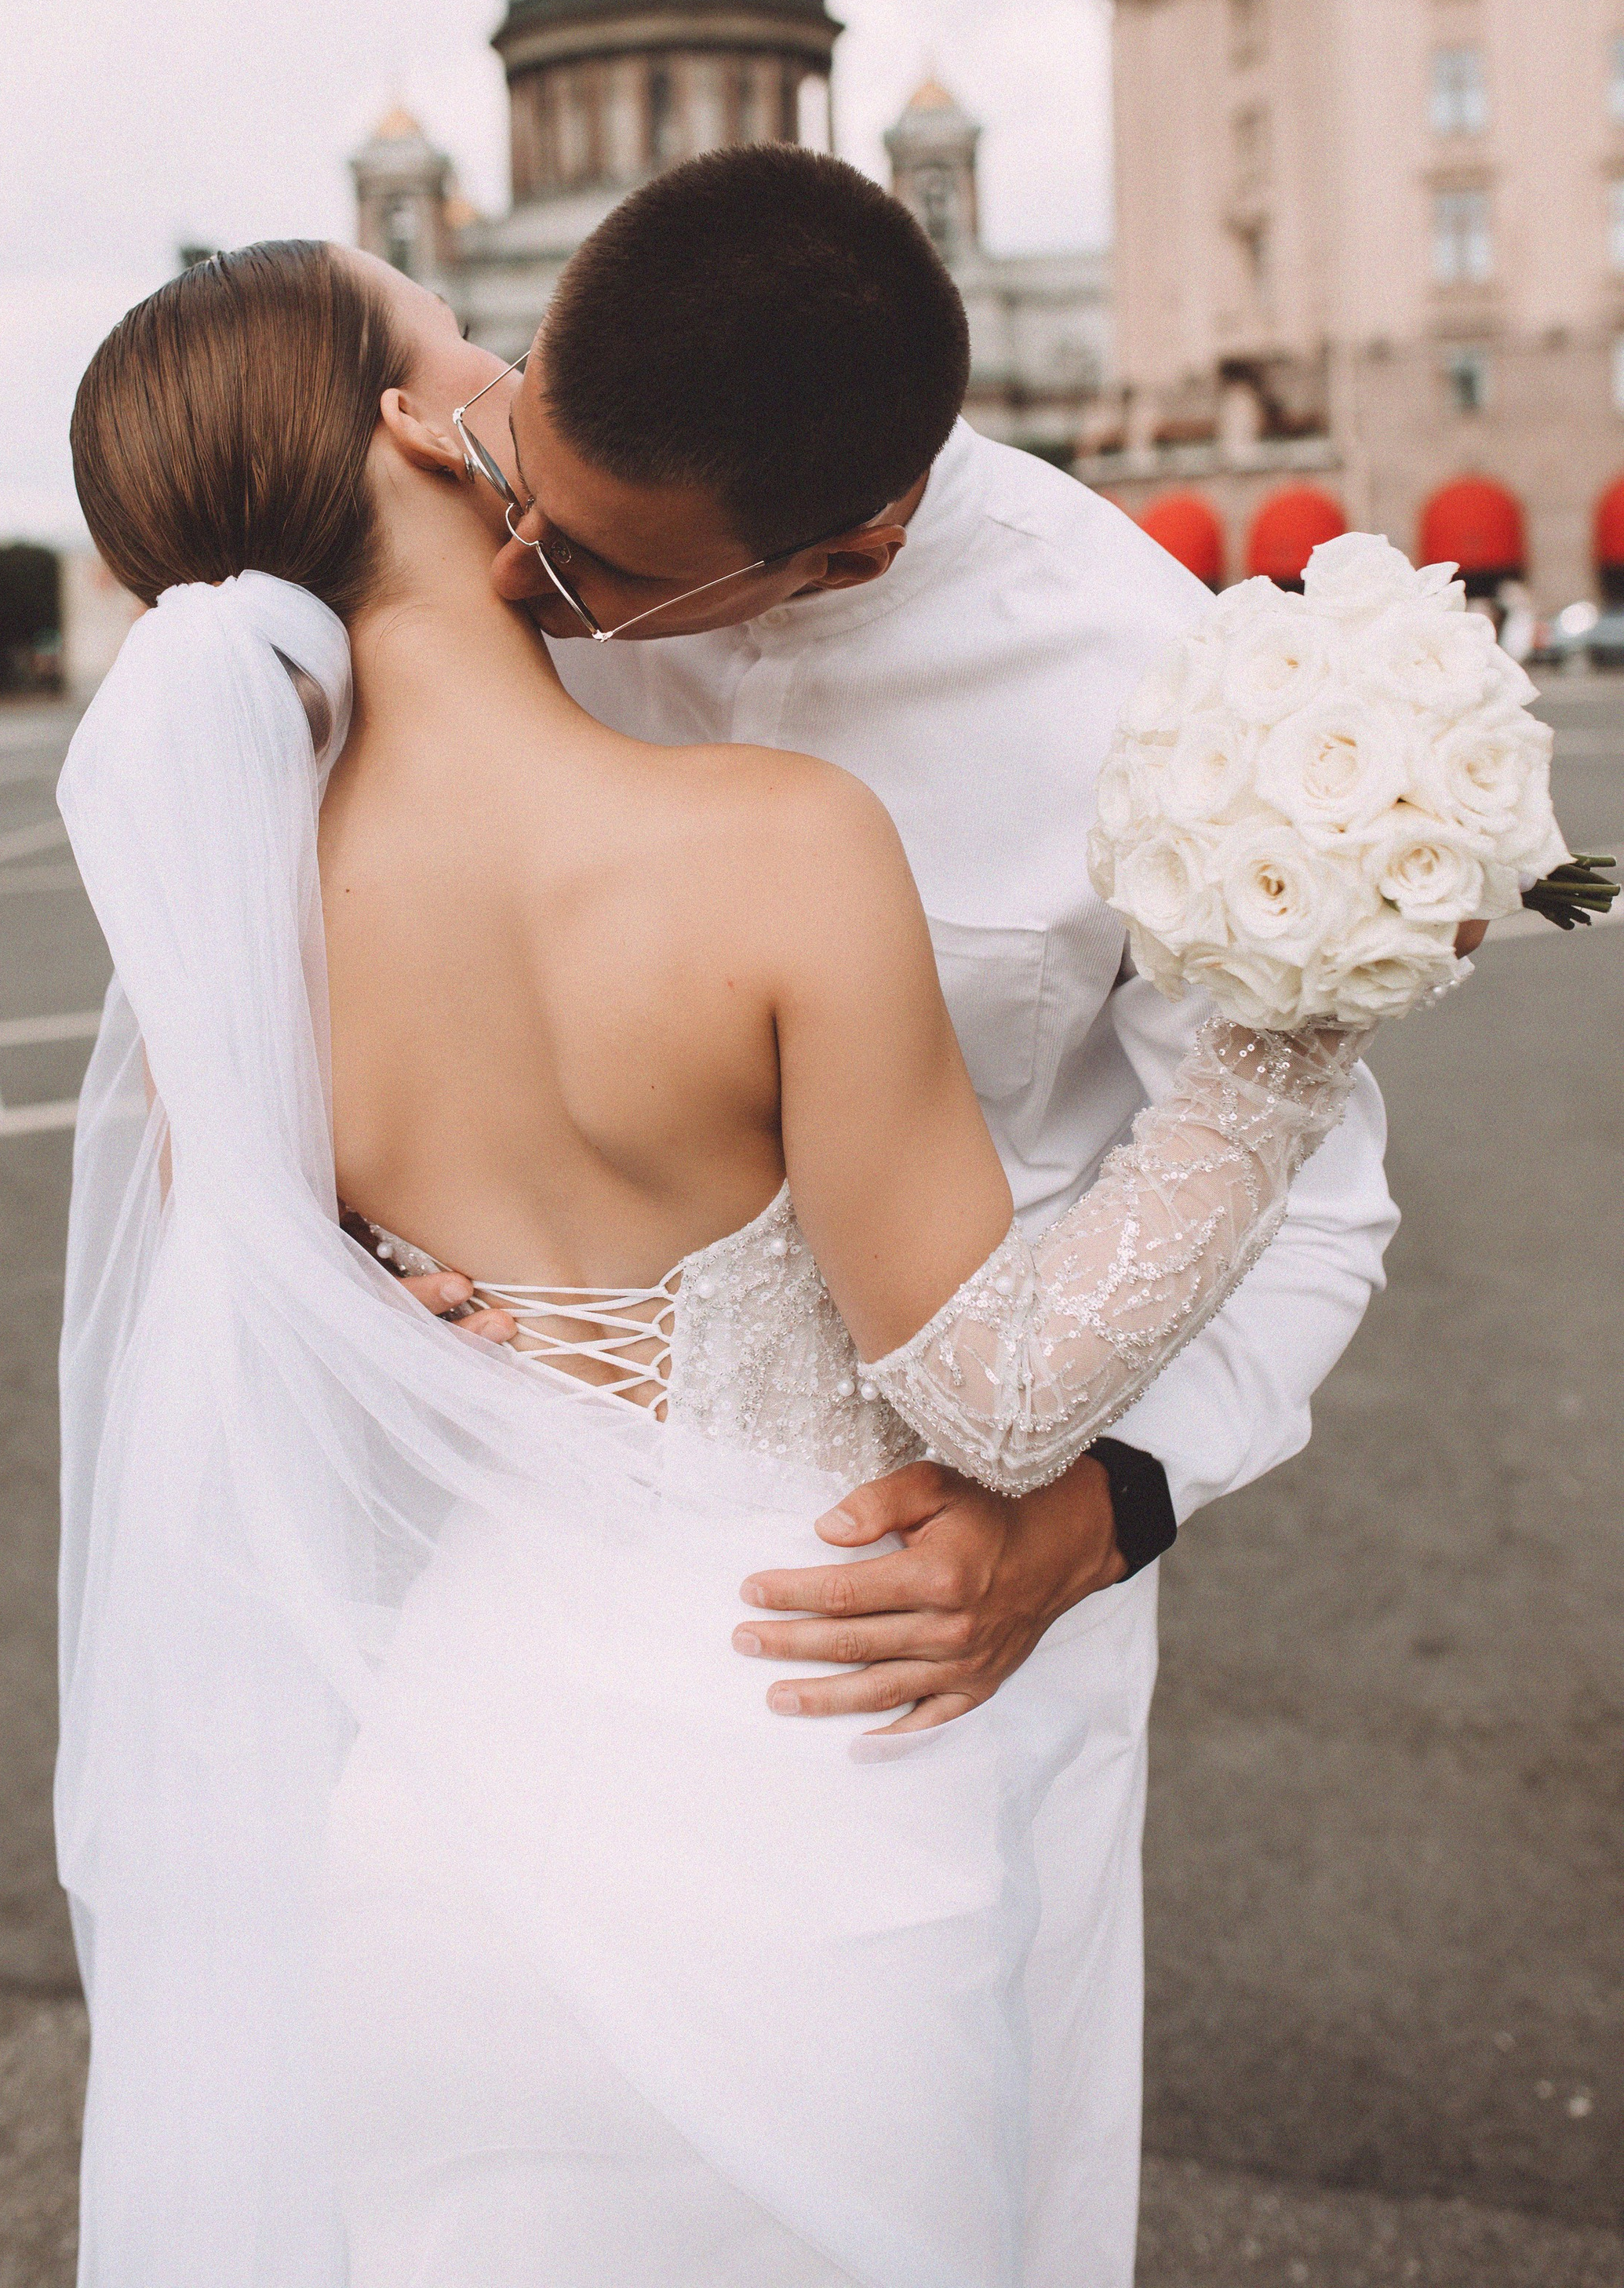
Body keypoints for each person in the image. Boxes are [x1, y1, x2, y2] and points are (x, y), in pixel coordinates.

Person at [55, 227, 1407, 2288]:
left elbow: (238, 1290)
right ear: (424, 427)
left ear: (848, 544)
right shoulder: (775, 844)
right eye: (456, 331)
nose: (512, 411)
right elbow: (994, 1390)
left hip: (445, 1785)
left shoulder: (234, 941)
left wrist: (356, 1277)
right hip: (805, 1770)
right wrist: (1294, 1033)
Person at [477, 144, 1403, 2282]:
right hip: (539, 1543)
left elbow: (1322, 1203)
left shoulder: (1158, 696)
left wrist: (1095, 1523)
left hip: (950, 1609)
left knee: (935, 2171)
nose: (518, 577)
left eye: (601, 572)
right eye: (517, 477)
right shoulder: (487, 524)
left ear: (859, 535)